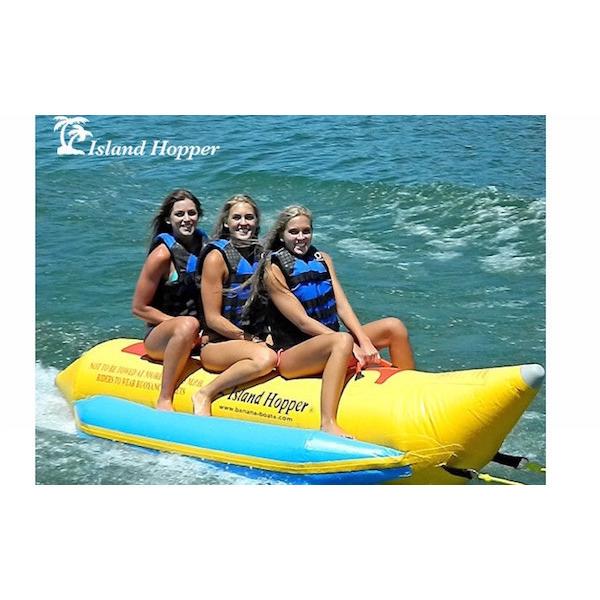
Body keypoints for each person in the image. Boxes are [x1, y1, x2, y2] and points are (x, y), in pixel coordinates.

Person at [242, 205, 415, 437]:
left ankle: (411, 392)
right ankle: (328, 422)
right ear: (282, 235)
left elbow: (342, 305)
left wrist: (364, 341)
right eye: (294, 232)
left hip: (329, 343)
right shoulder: (273, 269)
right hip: (294, 355)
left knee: (393, 327)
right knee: (341, 340)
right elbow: (302, 322)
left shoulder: (322, 259)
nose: (301, 237)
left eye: (306, 231)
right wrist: (348, 344)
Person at [191, 194, 277, 416]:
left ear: (257, 222)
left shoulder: (262, 256)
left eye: (249, 217)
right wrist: (250, 340)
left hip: (252, 338)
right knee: (265, 358)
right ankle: (205, 394)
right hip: (217, 345)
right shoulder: (216, 257)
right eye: (237, 217)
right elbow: (212, 318)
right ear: (226, 223)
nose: (243, 223)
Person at [132, 189, 208, 410]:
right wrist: (185, 330)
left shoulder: (207, 248)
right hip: (161, 337)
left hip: (197, 335)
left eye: (191, 213)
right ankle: (164, 398)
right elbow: (139, 308)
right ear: (168, 218)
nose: (187, 219)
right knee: (188, 324)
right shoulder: (162, 256)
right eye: (179, 214)